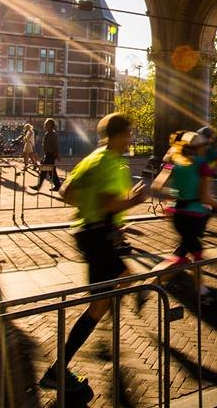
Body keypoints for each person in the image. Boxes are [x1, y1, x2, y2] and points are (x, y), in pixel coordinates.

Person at [38, 113, 149, 393]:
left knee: (122, 281)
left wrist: (95, 210)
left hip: (88, 233)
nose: (131, 139)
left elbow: (66, 192)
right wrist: (133, 200)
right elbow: (108, 203)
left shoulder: (93, 157)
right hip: (98, 236)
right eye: (129, 134)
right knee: (102, 301)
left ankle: (107, 321)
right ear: (119, 135)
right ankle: (58, 369)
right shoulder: (113, 163)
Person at [145, 131, 217, 303]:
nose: (206, 148)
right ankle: (150, 283)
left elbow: (157, 186)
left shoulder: (174, 162)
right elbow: (205, 198)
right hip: (193, 216)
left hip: (178, 214)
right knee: (187, 256)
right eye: (204, 145)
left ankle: (202, 291)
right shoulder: (201, 164)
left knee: (188, 253)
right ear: (198, 147)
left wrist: (176, 194)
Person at [33, 118, 62, 191]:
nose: (44, 125)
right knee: (51, 171)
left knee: (44, 171)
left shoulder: (53, 134)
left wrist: (57, 155)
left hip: (50, 155)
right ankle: (58, 185)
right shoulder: (48, 133)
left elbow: (55, 145)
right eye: (45, 124)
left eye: (46, 124)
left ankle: (39, 186)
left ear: (51, 125)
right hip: (47, 155)